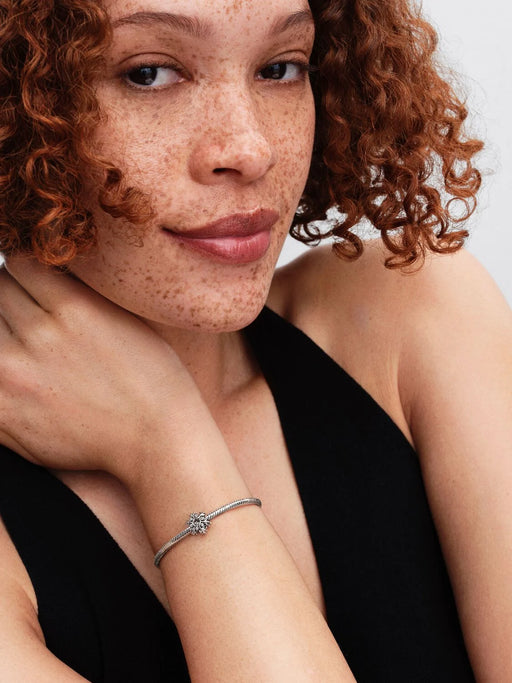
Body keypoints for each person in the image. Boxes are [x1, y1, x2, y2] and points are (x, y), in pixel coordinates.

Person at [0, 0, 510, 680]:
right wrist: (169, 448)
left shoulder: (408, 314)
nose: (249, 148)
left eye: (279, 67)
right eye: (149, 73)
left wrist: (167, 446)